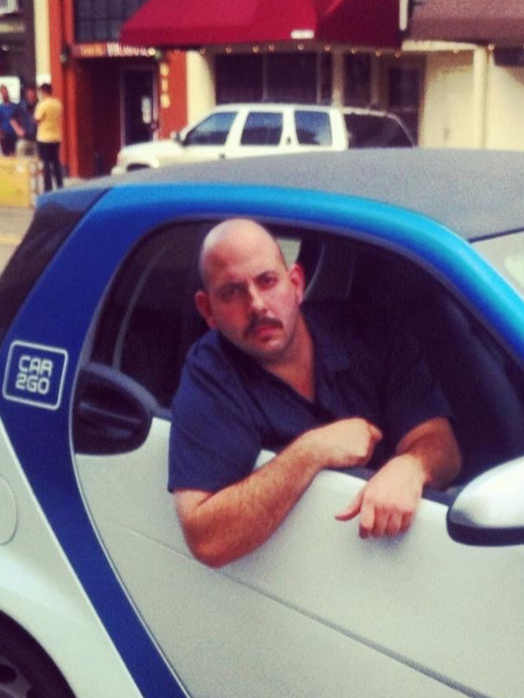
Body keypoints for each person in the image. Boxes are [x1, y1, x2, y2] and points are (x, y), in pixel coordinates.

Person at [168, 218, 461, 567]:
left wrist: (412, 466)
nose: (257, 304)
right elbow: (207, 539)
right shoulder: (210, 372)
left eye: (267, 281)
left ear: (295, 283)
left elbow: (442, 446)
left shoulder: (369, 332)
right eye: (232, 292)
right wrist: (312, 451)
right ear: (208, 310)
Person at [33, 81, 64, 191]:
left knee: (46, 164)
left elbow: (37, 120)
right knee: (56, 162)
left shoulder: (42, 105)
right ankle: (60, 185)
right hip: (56, 137)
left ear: (43, 92)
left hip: (44, 138)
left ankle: (48, 187)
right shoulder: (58, 104)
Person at [0, 85, 23, 157]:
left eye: (5, 91)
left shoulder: (15, 107)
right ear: (0, 94)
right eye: (2, 92)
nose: (4, 93)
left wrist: (19, 131)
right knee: (5, 156)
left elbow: (20, 119)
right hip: (4, 135)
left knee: (15, 154)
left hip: (14, 135)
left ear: (8, 92)